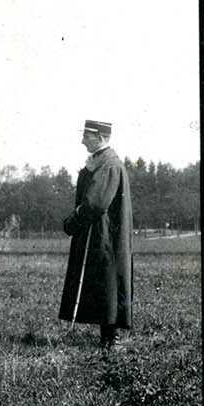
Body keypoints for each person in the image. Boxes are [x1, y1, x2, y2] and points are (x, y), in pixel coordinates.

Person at [58, 118, 134, 350]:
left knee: (108, 281)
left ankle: (110, 339)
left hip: (106, 237)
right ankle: (107, 337)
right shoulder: (100, 163)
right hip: (99, 234)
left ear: (100, 138)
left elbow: (96, 203)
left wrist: (72, 222)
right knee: (103, 281)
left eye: (86, 137)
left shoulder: (109, 165)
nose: (82, 141)